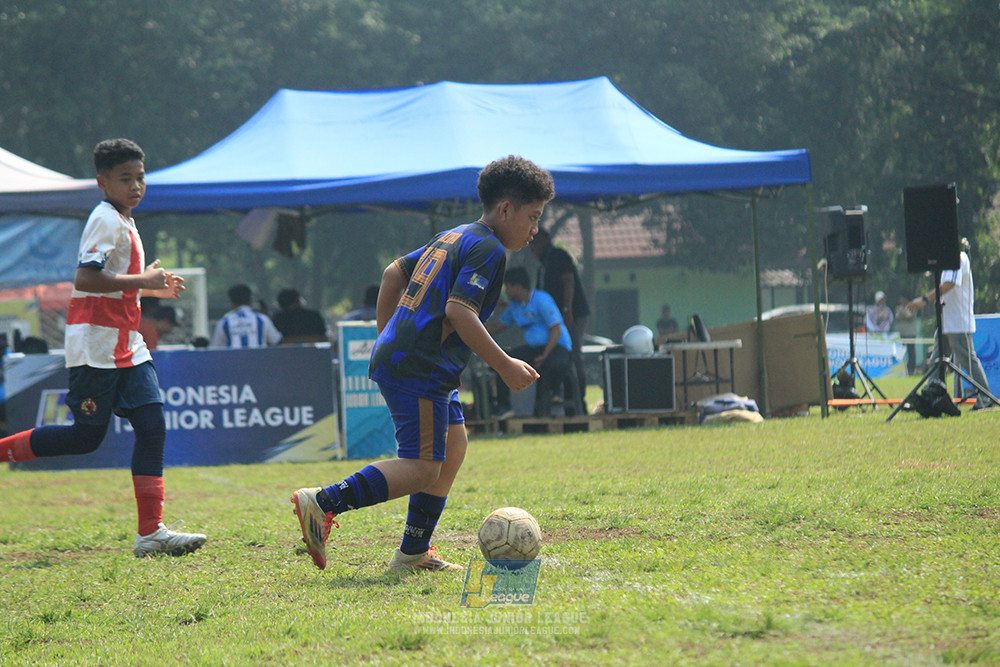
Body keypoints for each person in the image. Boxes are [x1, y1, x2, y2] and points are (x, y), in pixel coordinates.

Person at [290, 155, 552, 572]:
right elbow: (460, 312)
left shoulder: (455, 235)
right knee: (423, 468)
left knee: (452, 447)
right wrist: (504, 364)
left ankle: (413, 552)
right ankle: (323, 502)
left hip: (413, 360)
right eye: (533, 216)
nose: (536, 228)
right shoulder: (489, 249)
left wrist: (389, 336)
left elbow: (393, 273)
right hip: (421, 367)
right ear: (506, 209)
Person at [0, 138, 206, 557]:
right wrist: (144, 283)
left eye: (140, 177)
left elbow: (113, 284)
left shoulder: (125, 220)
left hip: (127, 345)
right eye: (125, 179)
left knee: (153, 427)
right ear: (102, 182)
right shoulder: (105, 219)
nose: (136, 186)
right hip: (96, 347)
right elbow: (86, 279)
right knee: (84, 438)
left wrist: (153, 289)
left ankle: (151, 533)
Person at [908, 239, 994, 410]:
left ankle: (986, 399)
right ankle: (930, 399)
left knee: (967, 359)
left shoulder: (958, 259)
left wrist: (924, 300)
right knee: (936, 360)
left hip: (957, 322)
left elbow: (949, 284)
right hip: (947, 322)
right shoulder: (951, 261)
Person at [487, 267, 573, 418]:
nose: (506, 291)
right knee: (502, 362)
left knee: (556, 365)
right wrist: (473, 325)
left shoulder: (542, 300)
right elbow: (498, 327)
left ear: (518, 286)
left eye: (507, 286)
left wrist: (545, 355)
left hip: (556, 346)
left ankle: (555, 393)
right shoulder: (515, 306)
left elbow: (556, 330)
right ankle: (503, 406)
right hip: (534, 349)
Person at [528, 227, 590, 414]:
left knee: (573, 355)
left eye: (533, 243)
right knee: (560, 356)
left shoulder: (557, 255)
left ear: (543, 241)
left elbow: (568, 281)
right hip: (556, 317)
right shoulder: (544, 264)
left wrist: (567, 309)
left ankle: (579, 401)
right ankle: (561, 398)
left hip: (572, 313)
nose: (531, 249)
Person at [210, 284, 282, 348]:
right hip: (259, 362)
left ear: (231, 303)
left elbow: (215, 348)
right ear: (251, 301)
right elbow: (275, 340)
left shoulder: (224, 322)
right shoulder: (262, 319)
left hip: (233, 362)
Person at [894, 294, 919, 375]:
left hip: (910, 333)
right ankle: (902, 369)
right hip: (902, 333)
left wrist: (902, 313)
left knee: (911, 351)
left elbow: (909, 317)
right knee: (901, 352)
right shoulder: (900, 307)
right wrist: (901, 314)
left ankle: (912, 369)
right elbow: (897, 318)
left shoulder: (912, 306)